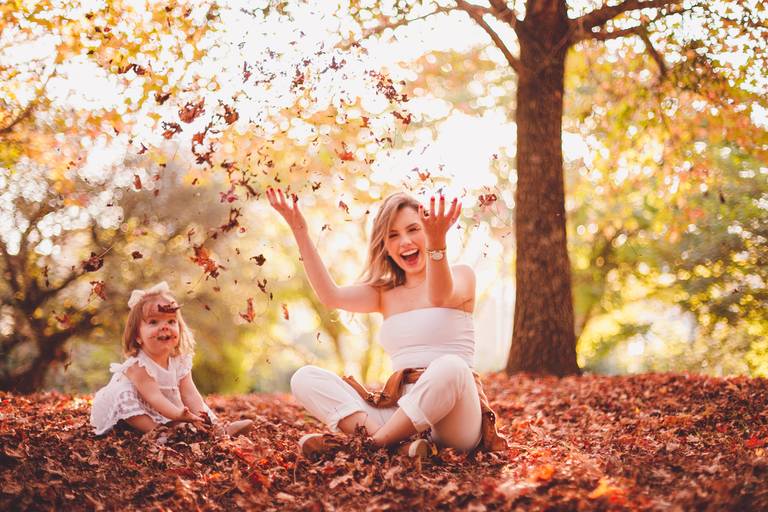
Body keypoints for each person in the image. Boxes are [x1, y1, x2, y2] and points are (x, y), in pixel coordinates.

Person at [267, 189, 506, 459]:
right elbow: (329, 296)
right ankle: (400, 447)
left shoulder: (462, 276)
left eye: (414, 229)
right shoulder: (385, 292)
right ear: (385, 245)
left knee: (451, 366)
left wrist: (437, 243)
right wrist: (300, 230)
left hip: (454, 417)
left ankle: (373, 445)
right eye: (393, 235)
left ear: (428, 230)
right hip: (399, 413)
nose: (404, 241)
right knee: (305, 378)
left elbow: (439, 295)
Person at [90, 282, 252, 437]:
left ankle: (218, 429)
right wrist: (178, 414)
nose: (165, 326)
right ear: (137, 336)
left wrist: (199, 417)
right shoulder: (137, 366)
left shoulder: (179, 361)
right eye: (153, 322)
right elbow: (154, 397)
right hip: (129, 411)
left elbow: (189, 393)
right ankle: (156, 431)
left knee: (190, 411)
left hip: (161, 406)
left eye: (171, 321)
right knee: (124, 394)